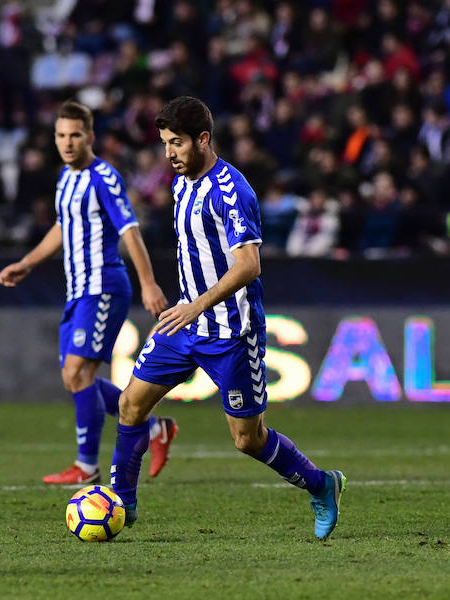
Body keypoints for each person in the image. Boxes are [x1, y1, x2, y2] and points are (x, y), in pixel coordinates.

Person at [109, 96, 345, 540]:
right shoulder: (181, 183)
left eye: (176, 143)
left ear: (203, 138)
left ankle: (322, 484)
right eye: (164, 144)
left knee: (247, 439)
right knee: (130, 403)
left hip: (231, 332)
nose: (169, 154)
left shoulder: (232, 191)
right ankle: (122, 501)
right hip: (184, 326)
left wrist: (196, 304)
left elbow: (249, 264)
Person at [0, 101, 178, 485]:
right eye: (61, 135)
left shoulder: (104, 177)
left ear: (90, 137)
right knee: (73, 377)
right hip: (77, 290)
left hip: (104, 286)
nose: (67, 142)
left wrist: (148, 284)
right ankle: (156, 428)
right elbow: (63, 228)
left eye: (75, 135)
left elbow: (130, 230)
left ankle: (86, 466)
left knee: (79, 372)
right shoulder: (66, 178)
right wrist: (28, 263)